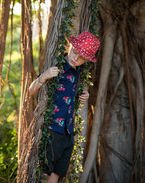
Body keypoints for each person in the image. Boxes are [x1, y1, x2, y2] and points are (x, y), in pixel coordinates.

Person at [29, 31, 100, 183]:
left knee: (56, 174)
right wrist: (44, 76)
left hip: (68, 133)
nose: (75, 59)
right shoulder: (57, 66)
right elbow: (31, 90)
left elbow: (73, 91)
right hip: (53, 130)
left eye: (82, 58)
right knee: (45, 174)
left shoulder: (79, 71)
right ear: (71, 45)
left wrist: (84, 94)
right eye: (74, 52)